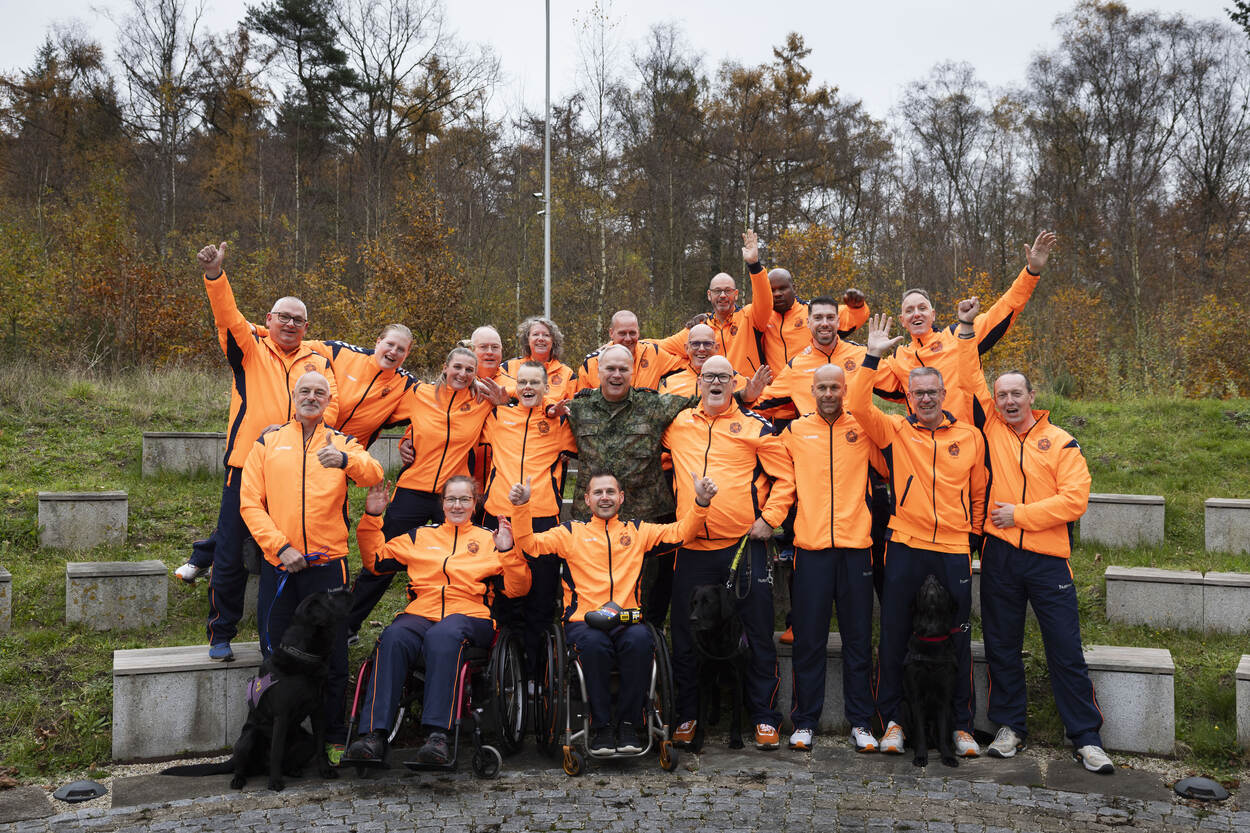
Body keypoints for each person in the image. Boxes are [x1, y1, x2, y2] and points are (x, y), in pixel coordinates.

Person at [953, 307, 1113, 774]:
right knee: (1002, 646)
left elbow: (1074, 502)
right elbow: (968, 373)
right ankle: (1010, 728)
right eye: (1001, 394)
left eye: (1015, 393)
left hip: (1047, 561)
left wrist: (1018, 514)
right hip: (1001, 557)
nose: (1007, 401)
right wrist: (966, 329)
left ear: (1031, 396)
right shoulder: (991, 430)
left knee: (1064, 648)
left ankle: (1085, 737)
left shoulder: (1062, 442)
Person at [851, 308, 988, 759]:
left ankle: (961, 726)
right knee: (893, 633)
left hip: (951, 548)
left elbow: (979, 493)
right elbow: (857, 405)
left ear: (944, 393)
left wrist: (975, 544)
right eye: (918, 393)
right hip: (905, 544)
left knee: (959, 636)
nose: (926, 399)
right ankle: (892, 721)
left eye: (932, 392)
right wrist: (872, 357)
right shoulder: (894, 430)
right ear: (907, 397)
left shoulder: (969, 436)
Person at [195, 241, 340, 663]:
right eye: (284, 317)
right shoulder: (250, 348)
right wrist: (215, 276)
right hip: (246, 466)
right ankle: (221, 631)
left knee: (295, 551)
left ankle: (296, 635)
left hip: (299, 472)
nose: (291, 324)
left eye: (299, 320)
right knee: (230, 556)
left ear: (307, 325)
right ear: (269, 319)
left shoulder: (318, 362)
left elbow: (334, 407)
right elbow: (227, 316)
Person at [509, 469, 718, 752]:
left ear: (621, 498)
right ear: (586, 499)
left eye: (610, 492)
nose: (604, 498)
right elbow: (528, 546)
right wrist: (521, 508)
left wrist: (701, 503)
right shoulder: (570, 533)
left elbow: (682, 533)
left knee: (641, 641)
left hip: (626, 619)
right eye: (598, 492)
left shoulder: (638, 531)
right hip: (584, 621)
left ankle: (631, 726)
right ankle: (602, 727)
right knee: (594, 647)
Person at [238, 370, 384, 755]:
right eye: (305, 390)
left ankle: (333, 737)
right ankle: (260, 735)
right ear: (293, 394)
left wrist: (345, 460)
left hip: (327, 565)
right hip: (281, 564)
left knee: (333, 658)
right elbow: (250, 502)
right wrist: (280, 546)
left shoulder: (343, 442)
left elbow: (375, 473)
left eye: (320, 392)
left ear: (327, 401)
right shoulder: (268, 440)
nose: (312, 397)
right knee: (271, 656)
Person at [345, 475, 529, 765]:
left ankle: (438, 736)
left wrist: (507, 550)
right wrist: (372, 517)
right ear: (442, 503)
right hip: (421, 614)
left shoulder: (489, 539)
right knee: (393, 636)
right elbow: (376, 561)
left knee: (443, 635)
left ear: (475, 503)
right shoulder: (420, 536)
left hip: (471, 616)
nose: (457, 505)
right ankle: (372, 736)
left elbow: (519, 588)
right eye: (451, 499)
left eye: (464, 499)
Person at [662, 355, 792, 750]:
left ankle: (764, 717)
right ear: (698, 382)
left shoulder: (756, 426)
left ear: (733, 382)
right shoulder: (678, 423)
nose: (715, 382)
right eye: (708, 376)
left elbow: (786, 477)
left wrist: (769, 518)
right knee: (684, 633)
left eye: (723, 376)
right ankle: (686, 715)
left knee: (756, 634)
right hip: (692, 547)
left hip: (742, 547)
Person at [343, 346, 505, 641]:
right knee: (382, 561)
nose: (462, 374)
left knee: (463, 561)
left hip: (452, 497)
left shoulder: (481, 403)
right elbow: (383, 414)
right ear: (445, 366)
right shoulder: (418, 394)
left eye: (470, 370)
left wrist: (501, 403)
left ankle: (465, 622)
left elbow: (510, 418)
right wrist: (406, 439)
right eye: (457, 367)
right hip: (412, 490)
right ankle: (348, 625)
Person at [769, 363, 886, 752]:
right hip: (811, 549)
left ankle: (861, 722)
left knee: (857, 640)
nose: (829, 393)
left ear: (845, 389)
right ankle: (805, 721)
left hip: (856, 549)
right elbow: (782, 483)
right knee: (809, 641)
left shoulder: (864, 429)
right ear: (812, 389)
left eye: (835, 387)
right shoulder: (795, 432)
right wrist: (768, 520)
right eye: (822, 387)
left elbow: (890, 465)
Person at [556, 344, 696, 624]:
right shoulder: (577, 409)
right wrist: (566, 507)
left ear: (633, 372)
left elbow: (701, 401)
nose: (616, 375)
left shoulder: (654, 405)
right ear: (598, 371)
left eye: (623, 369)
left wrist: (744, 394)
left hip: (644, 522)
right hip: (593, 523)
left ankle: (647, 644)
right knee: (593, 589)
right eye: (610, 368)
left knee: (647, 597)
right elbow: (569, 461)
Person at [874, 231, 1057, 423]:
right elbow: (860, 374)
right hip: (929, 444)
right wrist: (872, 352)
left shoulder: (959, 334)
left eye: (922, 308)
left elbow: (1004, 309)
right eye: (910, 310)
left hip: (976, 436)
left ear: (933, 314)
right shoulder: (898, 359)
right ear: (903, 320)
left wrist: (1031, 272)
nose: (917, 314)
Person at [480, 360, 577, 679]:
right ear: (515, 385)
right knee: (503, 592)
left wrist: (553, 410)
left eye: (535, 382)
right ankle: (502, 670)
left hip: (541, 519)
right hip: (500, 516)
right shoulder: (497, 415)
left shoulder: (558, 423)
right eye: (522, 382)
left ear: (546, 387)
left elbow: (583, 435)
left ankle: (536, 675)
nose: (528, 388)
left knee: (540, 597)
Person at [656, 230, 774, 376]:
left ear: (736, 294)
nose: (723, 295)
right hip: (713, 393)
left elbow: (765, 301)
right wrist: (626, 341)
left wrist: (754, 264)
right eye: (717, 291)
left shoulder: (750, 317)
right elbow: (663, 346)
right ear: (709, 295)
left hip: (747, 394)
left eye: (728, 291)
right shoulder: (701, 326)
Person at [747, 295, 869, 423]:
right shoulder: (796, 367)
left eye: (830, 317)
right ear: (808, 323)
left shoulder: (861, 355)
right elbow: (759, 408)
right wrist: (743, 396)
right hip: (813, 440)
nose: (825, 323)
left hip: (856, 439)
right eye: (818, 318)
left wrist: (880, 354)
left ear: (838, 322)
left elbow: (892, 388)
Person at [761, 268, 870, 371]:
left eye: (782, 288)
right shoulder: (762, 317)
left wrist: (857, 306)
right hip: (777, 387)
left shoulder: (811, 312)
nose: (777, 294)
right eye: (772, 290)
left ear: (794, 288)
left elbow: (849, 317)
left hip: (811, 384)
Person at [574, 310, 685, 392]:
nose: (628, 339)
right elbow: (581, 402)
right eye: (622, 333)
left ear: (638, 332)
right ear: (611, 333)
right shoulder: (592, 363)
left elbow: (689, 365)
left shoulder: (653, 353)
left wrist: (699, 323)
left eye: (632, 333)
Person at [656, 324, 766, 399]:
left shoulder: (735, 380)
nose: (701, 349)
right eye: (695, 344)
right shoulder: (671, 383)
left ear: (717, 348)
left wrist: (747, 397)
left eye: (707, 344)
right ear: (686, 348)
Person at [500, 316, 576, 402]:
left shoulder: (567, 374)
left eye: (546, 335)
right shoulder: (508, 368)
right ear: (527, 340)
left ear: (553, 341)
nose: (540, 339)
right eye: (535, 334)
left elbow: (571, 409)